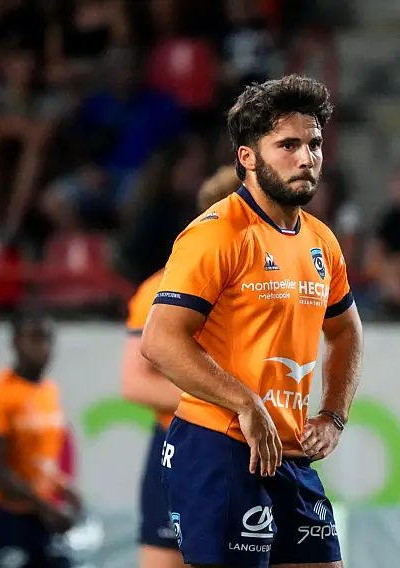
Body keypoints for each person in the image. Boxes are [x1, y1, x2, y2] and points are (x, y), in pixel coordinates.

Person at [141, 74, 364, 568]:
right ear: (247, 156)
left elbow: (346, 330)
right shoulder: (216, 234)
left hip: (289, 453)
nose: (306, 158)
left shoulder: (321, 241)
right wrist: (245, 402)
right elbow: (159, 340)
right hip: (218, 449)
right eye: (288, 145)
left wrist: (333, 415)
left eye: (314, 144)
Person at [120, 164, 242, 568]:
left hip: (247, 450)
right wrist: (229, 400)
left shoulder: (267, 290)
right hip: (184, 448)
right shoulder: (161, 288)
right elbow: (135, 383)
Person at [0, 311, 81, 568]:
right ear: (16, 341)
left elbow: (41, 460)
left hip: (35, 516)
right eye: (34, 338)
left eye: (48, 339)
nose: (43, 347)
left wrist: (63, 487)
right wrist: (44, 506)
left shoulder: (48, 391)